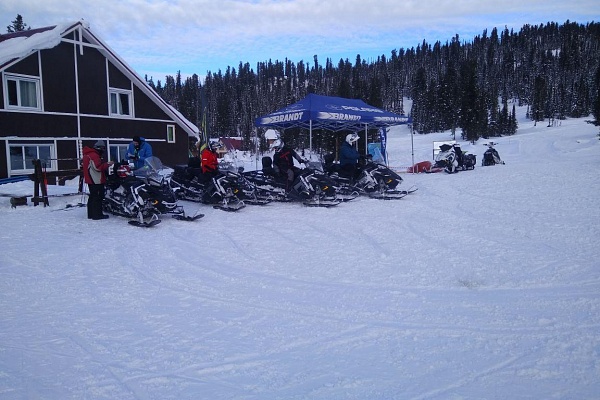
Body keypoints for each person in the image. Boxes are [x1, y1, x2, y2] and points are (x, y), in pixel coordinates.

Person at [82, 140, 114, 220]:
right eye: (103, 148)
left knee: (92, 197)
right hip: (96, 179)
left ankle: (91, 214)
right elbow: (98, 167)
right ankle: (97, 215)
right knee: (98, 197)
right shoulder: (94, 155)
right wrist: (107, 164)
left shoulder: (88, 154)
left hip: (90, 179)